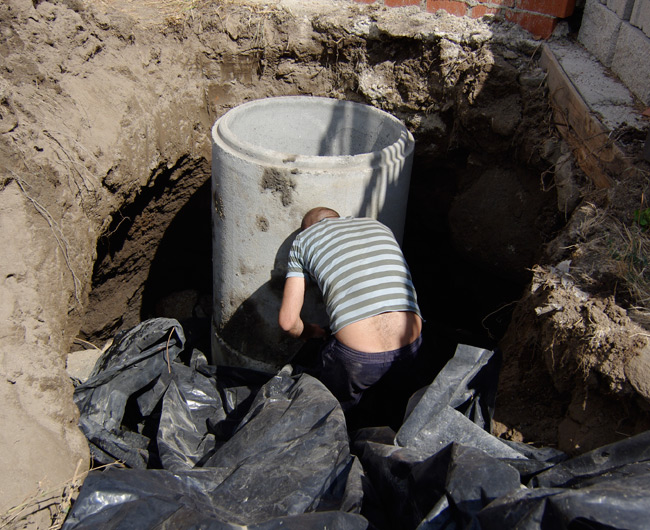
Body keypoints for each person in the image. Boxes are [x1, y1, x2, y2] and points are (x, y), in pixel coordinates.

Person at [278, 206, 424, 414]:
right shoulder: (378, 225)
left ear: (307, 228)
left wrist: (312, 332)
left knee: (334, 416)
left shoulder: (304, 240)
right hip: (411, 346)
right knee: (397, 410)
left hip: (357, 360)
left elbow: (287, 322)